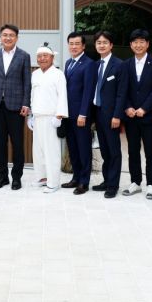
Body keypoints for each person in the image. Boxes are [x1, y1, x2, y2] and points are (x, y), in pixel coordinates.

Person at [0, 24, 32, 190]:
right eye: (4, 35)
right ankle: (2, 176)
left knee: (17, 143)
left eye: (11, 35)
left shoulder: (24, 56)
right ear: (0, 37)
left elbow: (27, 82)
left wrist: (26, 103)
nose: (8, 38)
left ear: (17, 38)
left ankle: (17, 177)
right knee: (0, 143)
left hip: (16, 106)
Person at [122, 29, 152, 199]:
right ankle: (135, 182)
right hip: (131, 116)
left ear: (147, 44)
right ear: (131, 45)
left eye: (142, 42)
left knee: (150, 151)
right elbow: (122, 89)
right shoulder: (126, 65)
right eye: (135, 42)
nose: (138, 45)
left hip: (149, 116)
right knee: (132, 150)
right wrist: (127, 107)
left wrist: (144, 108)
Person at [90, 31, 128, 199]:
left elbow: (122, 93)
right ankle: (106, 181)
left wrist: (117, 116)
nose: (101, 45)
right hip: (97, 112)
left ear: (111, 45)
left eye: (105, 42)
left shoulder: (119, 65)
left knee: (113, 151)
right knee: (104, 150)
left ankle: (113, 185)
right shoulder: (95, 65)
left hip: (111, 115)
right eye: (99, 42)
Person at [29, 43, 69, 193]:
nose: (42, 59)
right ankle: (42, 178)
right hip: (37, 117)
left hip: (51, 118)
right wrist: (31, 115)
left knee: (51, 151)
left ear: (52, 58)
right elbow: (33, 95)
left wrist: (59, 116)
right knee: (38, 150)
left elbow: (62, 96)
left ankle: (53, 182)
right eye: (39, 56)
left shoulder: (58, 74)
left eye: (45, 56)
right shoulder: (35, 74)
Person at [62, 32, 97, 195]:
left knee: (84, 149)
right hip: (68, 115)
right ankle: (75, 177)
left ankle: (84, 181)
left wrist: (83, 114)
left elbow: (88, 91)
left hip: (81, 116)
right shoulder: (68, 63)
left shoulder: (89, 64)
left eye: (77, 44)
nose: (73, 46)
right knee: (73, 148)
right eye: (71, 43)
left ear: (83, 46)